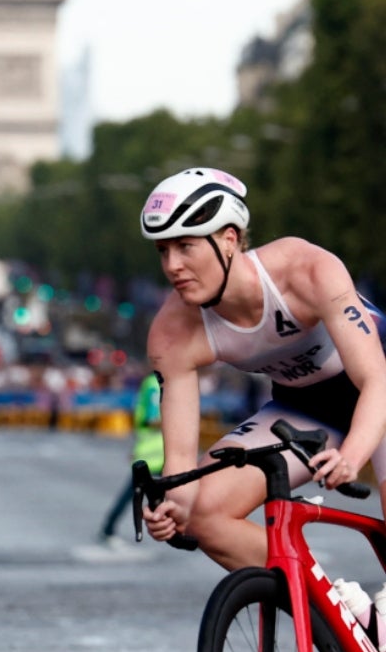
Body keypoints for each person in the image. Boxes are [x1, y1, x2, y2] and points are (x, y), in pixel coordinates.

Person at [138, 168, 386, 570]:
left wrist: (352, 456)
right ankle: (334, 605)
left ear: (229, 239)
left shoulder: (302, 269)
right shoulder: (171, 332)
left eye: (185, 246)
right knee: (204, 514)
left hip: (379, 382)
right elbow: (180, 462)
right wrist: (171, 509)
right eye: (163, 251)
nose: (172, 266)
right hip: (306, 405)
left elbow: (375, 379)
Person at [97, 370, 163, 542]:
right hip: (154, 452)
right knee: (133, 495)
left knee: (136, 495)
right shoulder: (155, 384)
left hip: (154, 451)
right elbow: (152, 418)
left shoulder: (151, 383)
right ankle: (108, 529)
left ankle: (108, 528)